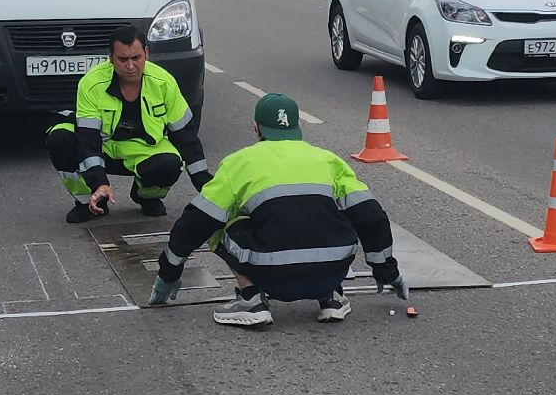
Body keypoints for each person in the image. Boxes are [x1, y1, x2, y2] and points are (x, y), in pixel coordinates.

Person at [148, 92, 405, 328]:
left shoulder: (240, 162)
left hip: (274, 276)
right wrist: (386, 272)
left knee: (220, 219)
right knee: (331, 212)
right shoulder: (328, 160)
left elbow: (195, 222)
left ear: (256, 128)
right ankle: (332, 296)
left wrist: (169, 272)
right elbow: (372, 216)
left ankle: (250, 299)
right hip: (331, 269)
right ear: (297, 128)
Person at [46, 26, 211, 224]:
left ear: (146, 54)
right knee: (60, 137)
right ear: (110, 58)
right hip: (103, 148)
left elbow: (186, 137)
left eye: (136, 58)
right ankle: (90, 201)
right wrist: (100, 183)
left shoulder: (164, 82)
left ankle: (146, 197)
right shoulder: (91, 83)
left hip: (143, 150)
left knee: (170, 164)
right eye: (123, 59)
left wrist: (207, 188)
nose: (131, 66)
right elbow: (87, 139)